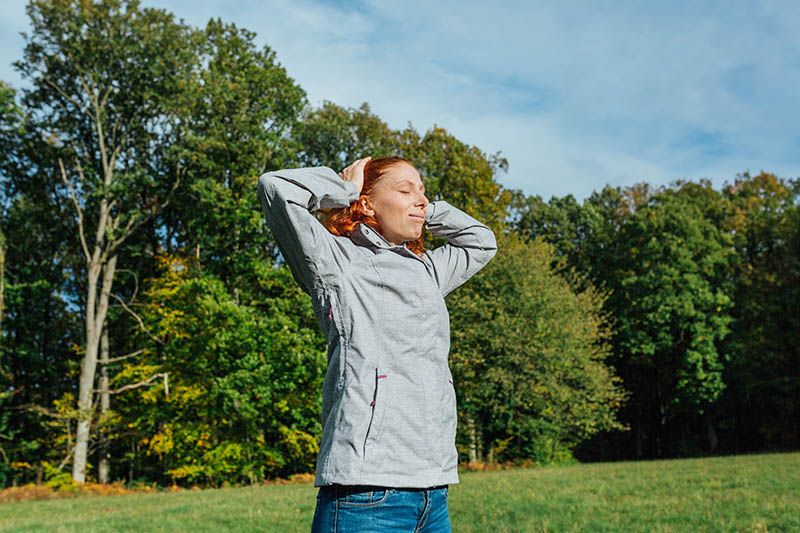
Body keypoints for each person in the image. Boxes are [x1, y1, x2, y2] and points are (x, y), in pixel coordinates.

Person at [257, 156, 497, 532]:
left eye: (423, 190)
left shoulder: (428, 270)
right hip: (365, 495)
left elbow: (482, 242)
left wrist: (423, 210)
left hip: (433, 495)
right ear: (367, 203)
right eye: (405, 190)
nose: (420, 198)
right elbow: (276, 188)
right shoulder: (336, 262)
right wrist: (345, 190)